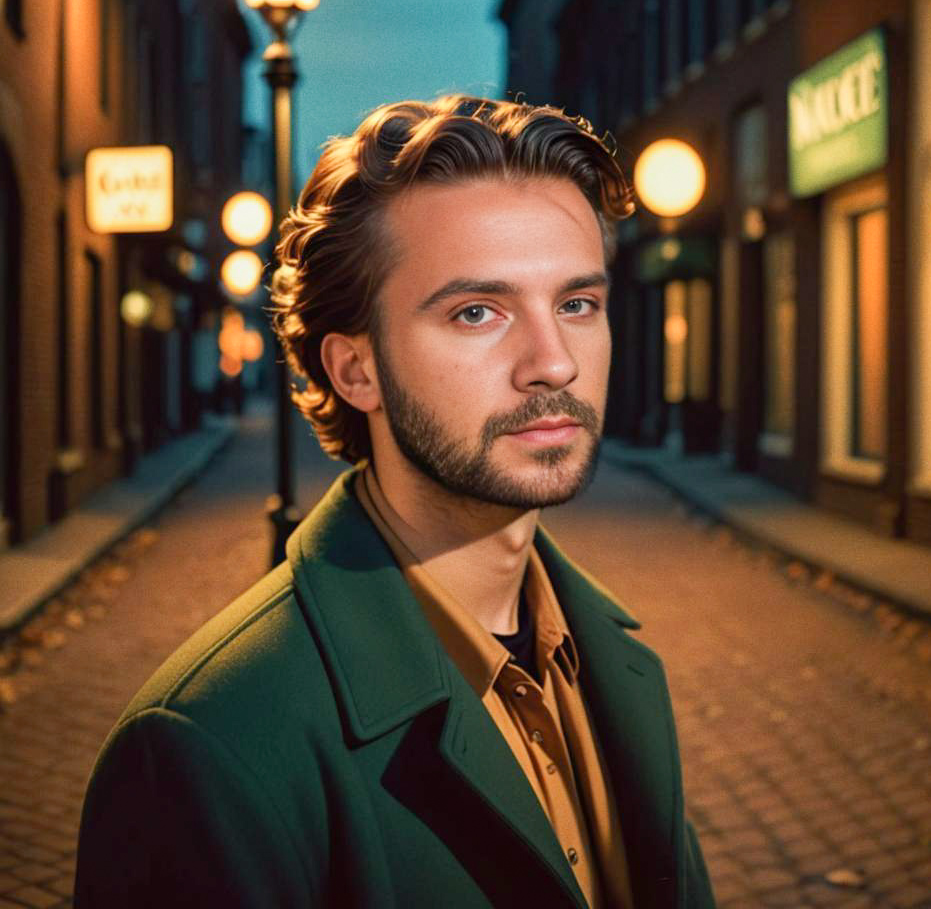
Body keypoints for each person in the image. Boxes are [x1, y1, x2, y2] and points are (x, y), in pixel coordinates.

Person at [74, 96, 716, 909]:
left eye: (576, 304)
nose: (553, 362)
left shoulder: (614, 663)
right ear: (355, 370)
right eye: (478, 312)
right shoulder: (207, 745)